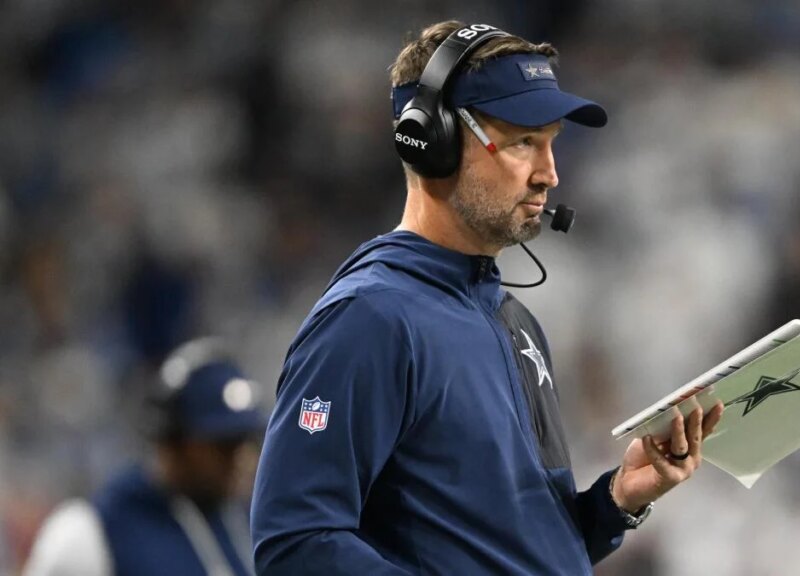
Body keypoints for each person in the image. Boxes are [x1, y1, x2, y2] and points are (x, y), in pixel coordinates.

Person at [250, 20, 725, 575]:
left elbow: (512, 547)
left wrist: (615, 501)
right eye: (524, 142)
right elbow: (295, 543)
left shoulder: (513, 319)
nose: (549, 174)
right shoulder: (370, 318)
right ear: (433, 142)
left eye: (551, 143)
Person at [23, 338, 264, 576]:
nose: (245, 459)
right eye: (225, 446)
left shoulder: (249, 519)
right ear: (173, 442)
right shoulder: (91, 531)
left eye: (249, 442)